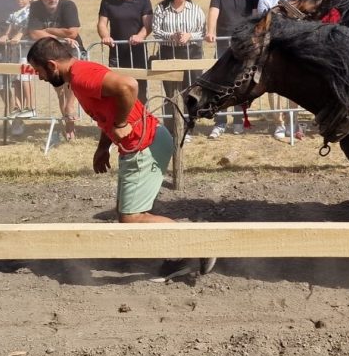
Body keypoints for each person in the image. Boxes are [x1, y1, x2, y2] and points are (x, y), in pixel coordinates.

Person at [26, 37, 214, 282]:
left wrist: (122, 123)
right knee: (128, 212)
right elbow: (110, 108)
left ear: (51, 65)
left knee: (131, 218)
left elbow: (128, 86)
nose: (40, 77)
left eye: (39, 71)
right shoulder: (80, 73)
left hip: (143, 144)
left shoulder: (82, 77)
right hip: (145, 140)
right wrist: (103, 147)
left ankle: (199, 242)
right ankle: (179, 256)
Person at [206, 0, 259, 138]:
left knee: (241, 82)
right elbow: (214, 11)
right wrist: (210, 31)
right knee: (220, 82)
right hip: (223, 43)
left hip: (243, 44)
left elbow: (255, 16)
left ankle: (238, 120)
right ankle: (220, 122)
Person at [27, 0, 84, 139]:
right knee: (60, 90)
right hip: (51, 53)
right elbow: (33, 33)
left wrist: (48, 30)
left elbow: (72, 33)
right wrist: (59, 38)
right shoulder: (35, 7)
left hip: (72, 51)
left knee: (71, 84)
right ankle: (69, 126)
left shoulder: (68, 5)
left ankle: (70, 110)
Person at [151, 0, 205, 138]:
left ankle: (189, 127)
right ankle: (171, 128)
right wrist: (172, 36)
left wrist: (189, 35)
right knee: (171, 93)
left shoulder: (195, 9)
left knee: (190, 93)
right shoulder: (161, 9)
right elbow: (156, 32)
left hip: (191, 53)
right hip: (168, 53)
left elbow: (203, 32)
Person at [256, 0, 300, 141]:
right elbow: (263, 23)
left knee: (295, 87)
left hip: (295, 47)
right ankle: (279, 124)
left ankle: (293, 123)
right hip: (274, 49)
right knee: (275, 89)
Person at [97, 0, 153, 82]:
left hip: (138, 52)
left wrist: (140, 36)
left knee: (140, 89)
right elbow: (102, 24)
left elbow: (148, 25)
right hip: (116, 51)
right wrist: (106, 36)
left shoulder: (143, 0)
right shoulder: (108, 0)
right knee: (115, 88)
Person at [0, 0, 33, 135]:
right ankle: (18, 106)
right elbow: (10, 29)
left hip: (27, 51)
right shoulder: (15, 13)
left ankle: (29, 106)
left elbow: (29, 27)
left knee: (25, 78)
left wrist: (20, 35)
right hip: (14, 51)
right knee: (16, 80)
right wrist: (6, 35)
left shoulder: (32, 12)